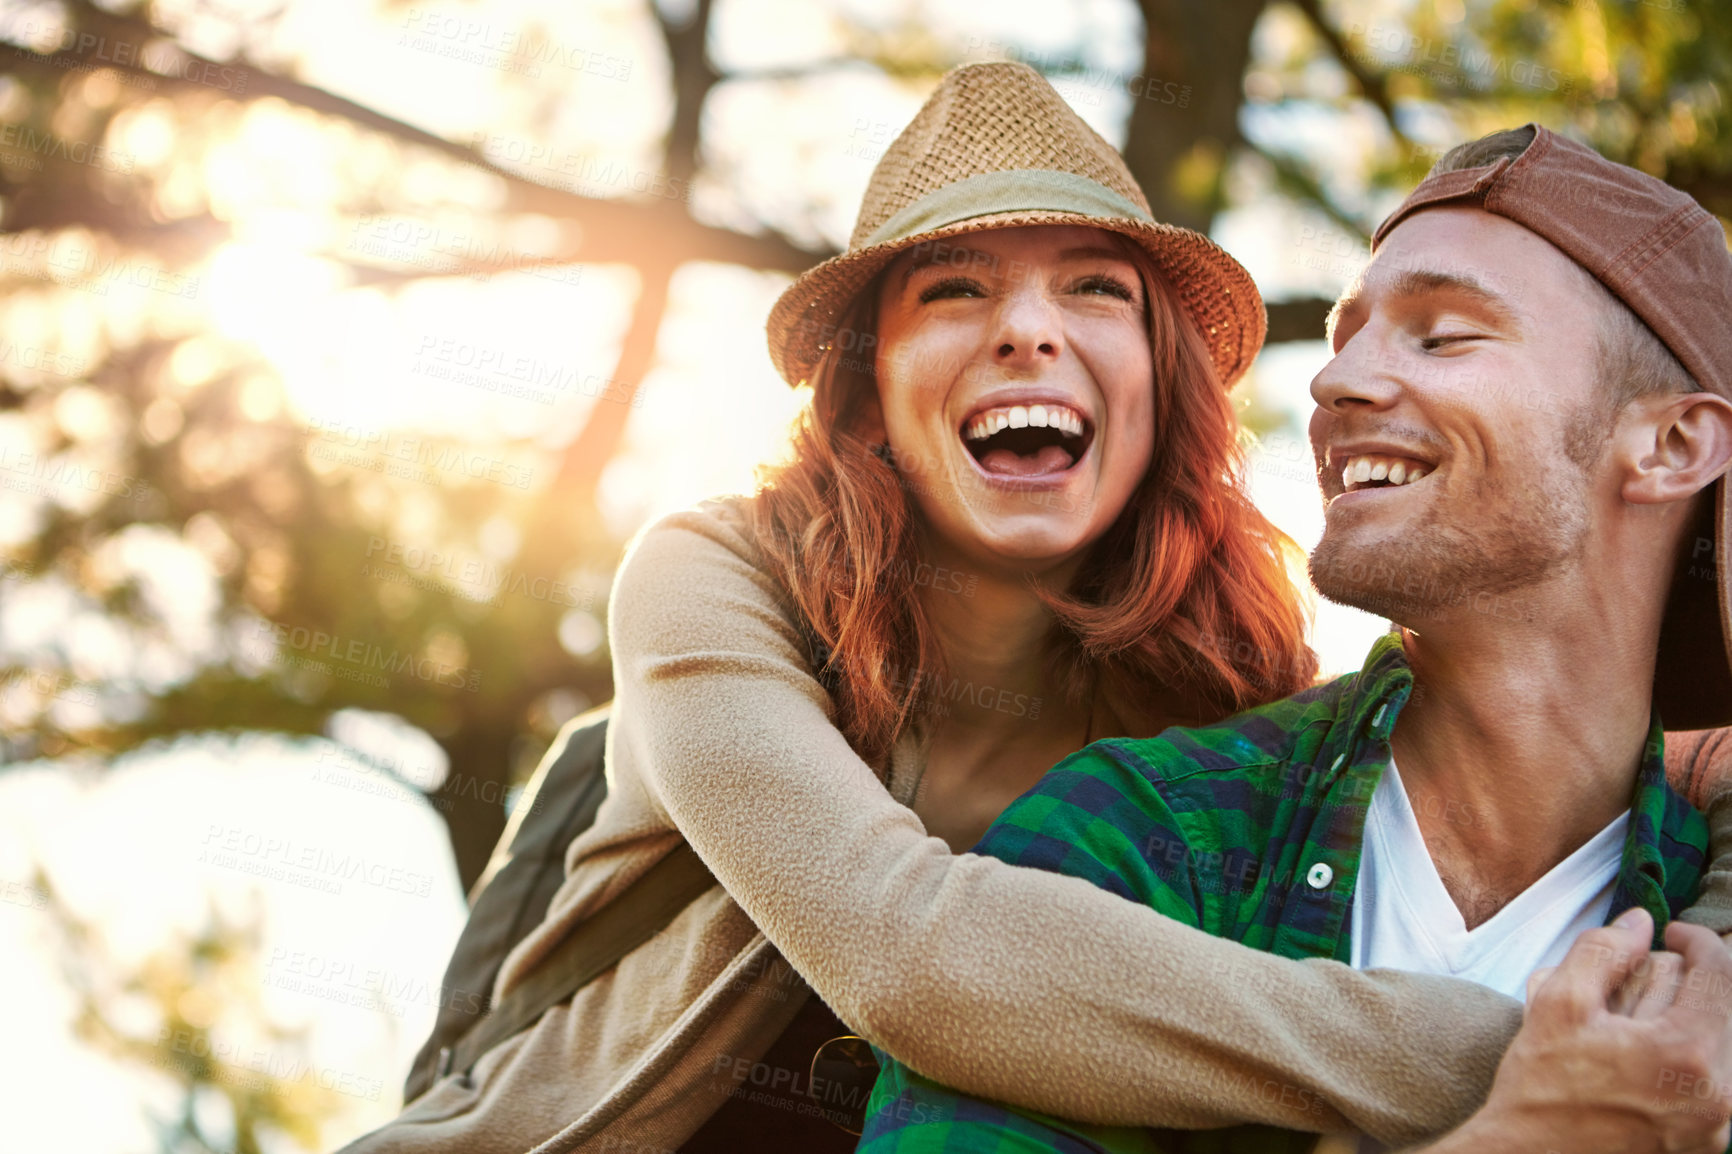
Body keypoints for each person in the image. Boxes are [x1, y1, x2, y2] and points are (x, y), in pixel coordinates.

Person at [339, 70, 1732, 1154]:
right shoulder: (715, 577)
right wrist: (1533, 1057)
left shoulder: (1205, 700)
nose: (1027, 331)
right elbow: (906, 951)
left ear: (1156, 378)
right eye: (954, 290)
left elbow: (1429, 745)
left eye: (1093, 291)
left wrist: (1663, 755)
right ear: (869, 390)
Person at [857, 124, 1732, 1154]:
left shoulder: (1703, 882)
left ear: (1672, 444)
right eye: (1344, 338)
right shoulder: (1135, 843)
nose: (1331, 384)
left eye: (1442, 334)